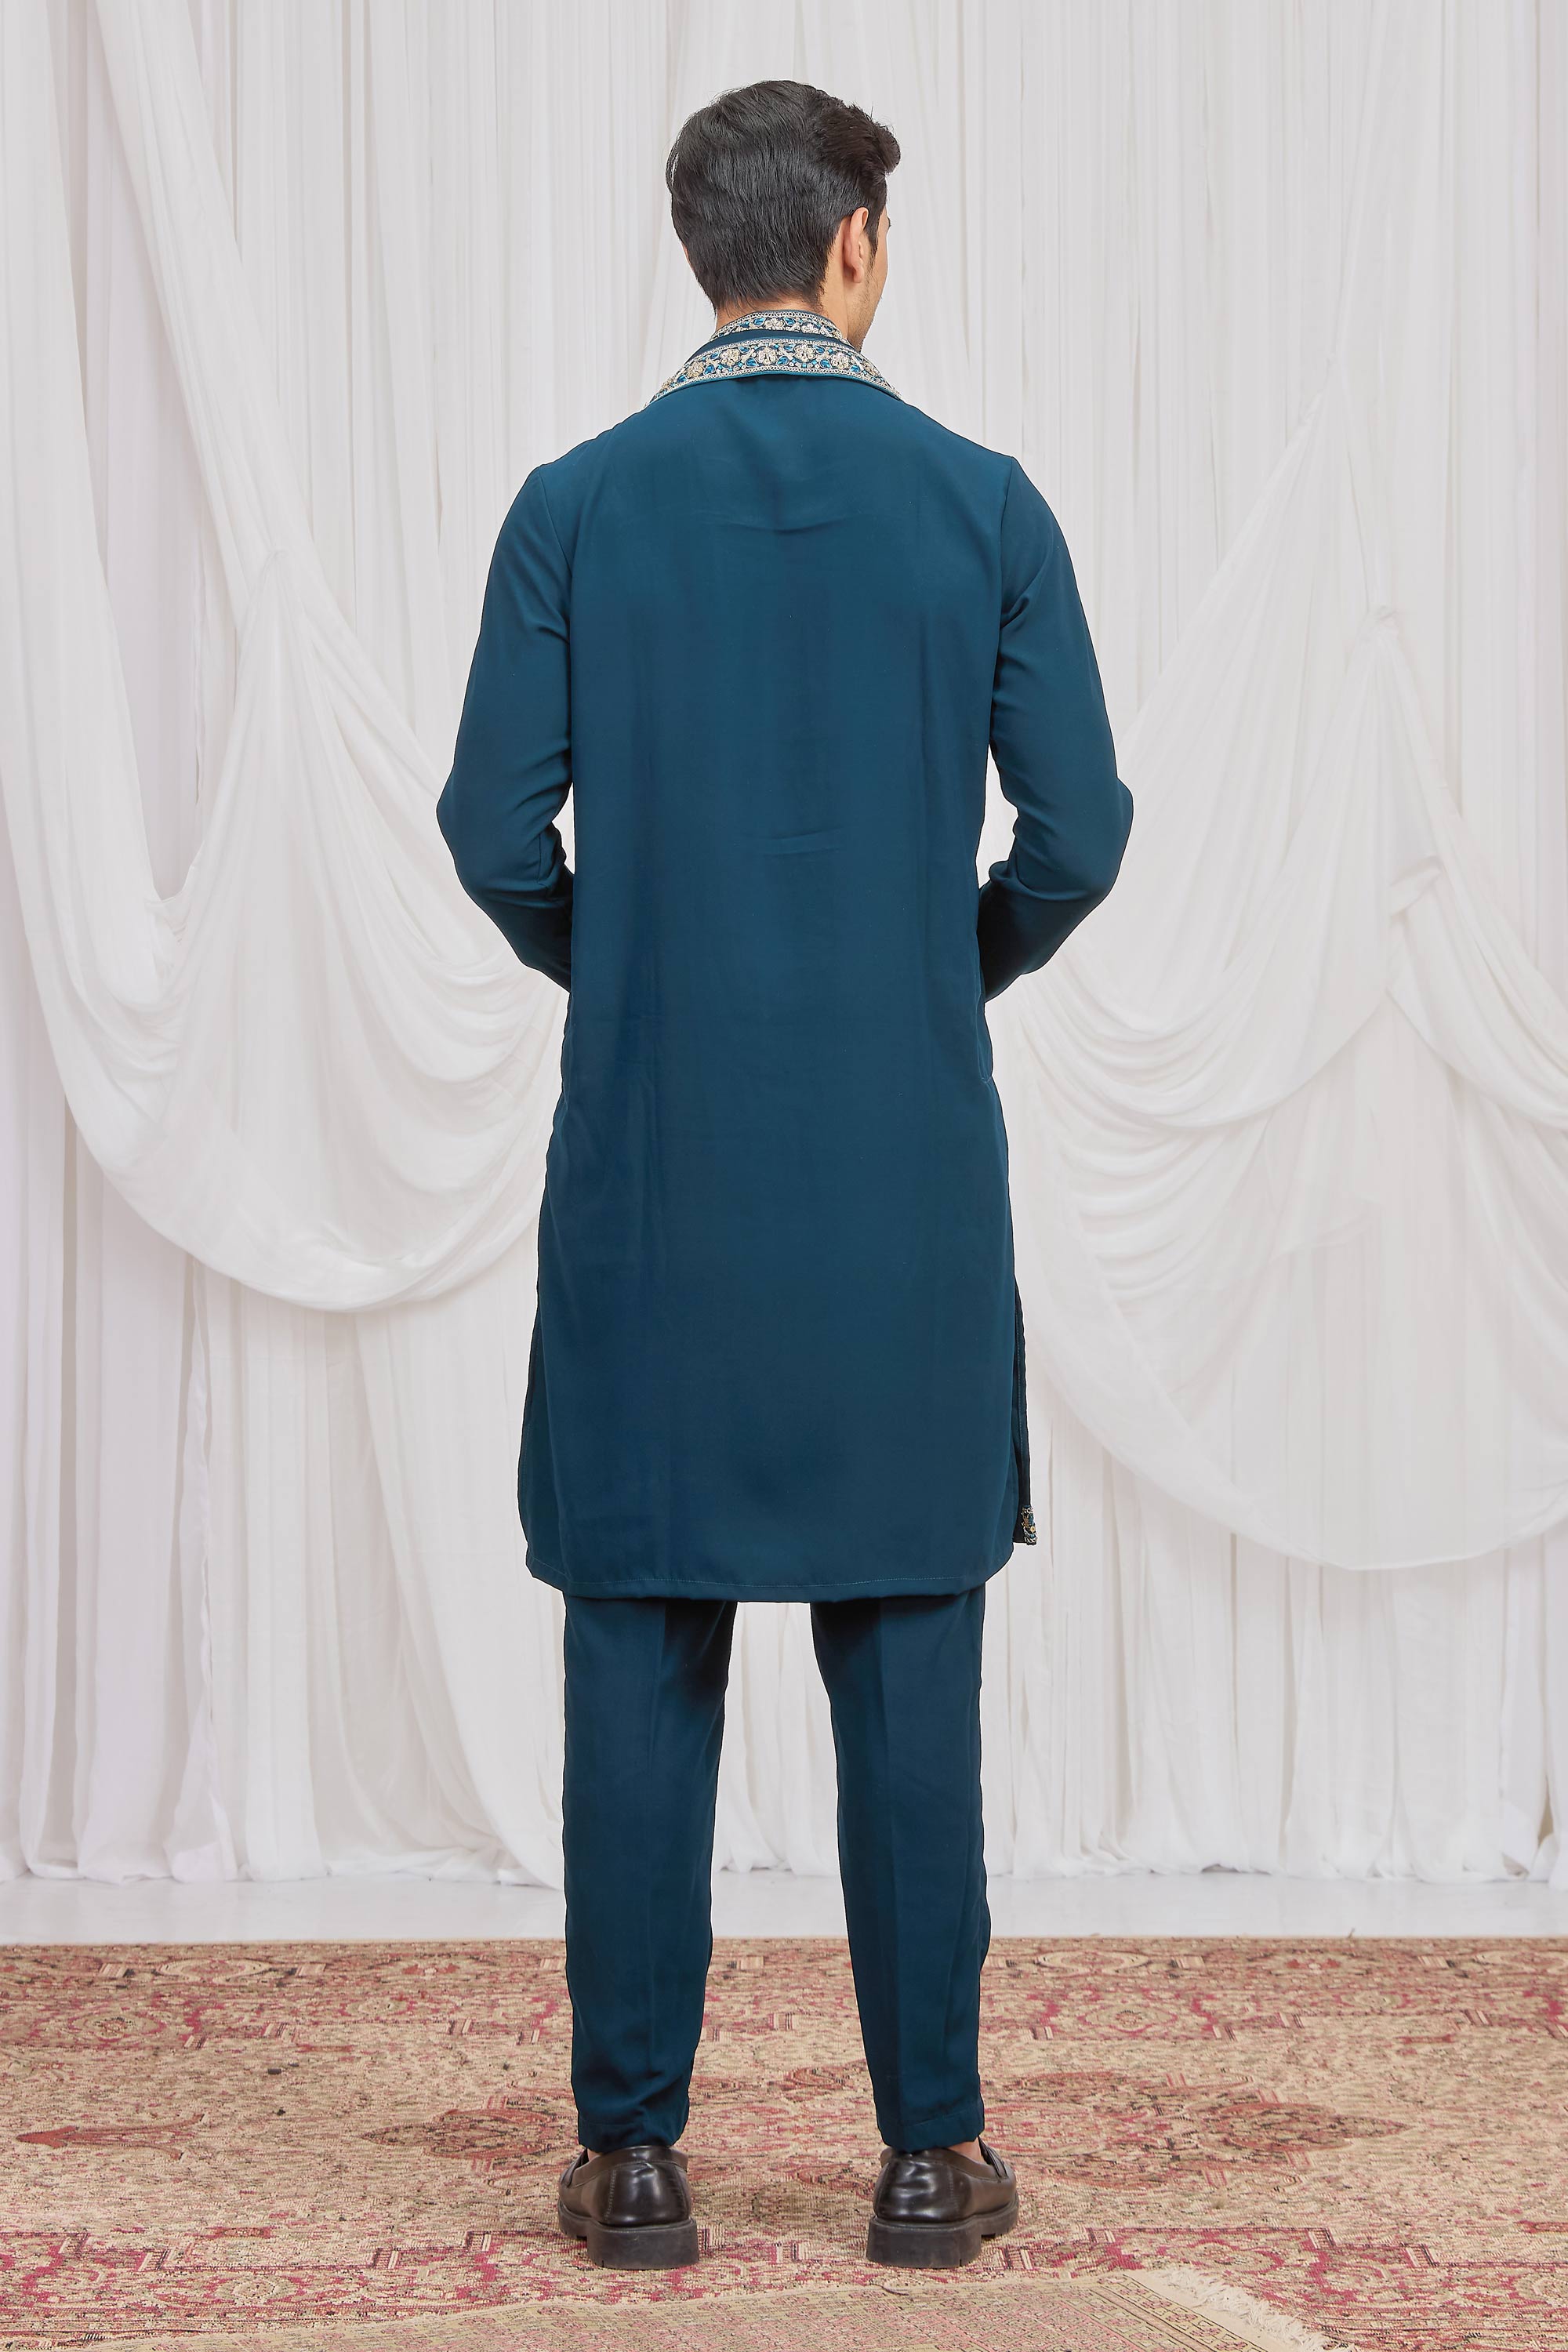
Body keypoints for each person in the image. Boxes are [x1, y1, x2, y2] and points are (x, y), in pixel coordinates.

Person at [437, 78, 1132, 2274]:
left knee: (640, 1644)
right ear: (852, 246)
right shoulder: (982, 504)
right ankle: (930, 2158)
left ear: (705, 250)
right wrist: (946, 965)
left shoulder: (574, 507)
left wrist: (625, 961)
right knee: (910, 1655)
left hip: (655, 1172)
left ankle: (634, 2162)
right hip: (900, 1187)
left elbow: (488, 829)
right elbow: (1084, 834)